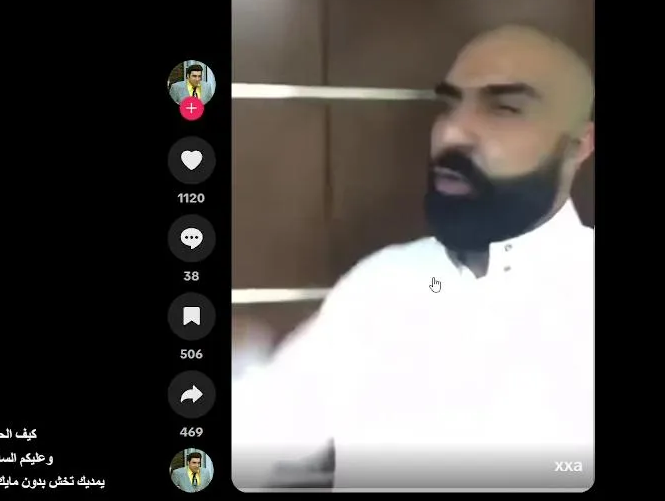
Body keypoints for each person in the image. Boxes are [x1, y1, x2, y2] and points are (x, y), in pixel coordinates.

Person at [232, 25, 595, 491]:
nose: (452, 132)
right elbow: (263, 434)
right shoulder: (384, 281)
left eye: (504, 108)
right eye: (449, 105)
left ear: (579, 144)